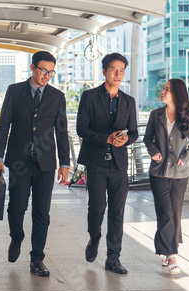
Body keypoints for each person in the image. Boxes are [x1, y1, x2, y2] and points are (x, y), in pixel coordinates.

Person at [0, 51, 70, 276]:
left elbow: (62, 132)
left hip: (45, 164)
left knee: (42, 212)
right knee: (16, 207)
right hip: (19, 161)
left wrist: (64, 163)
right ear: (32, 68)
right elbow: (3, 125)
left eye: (51, 72)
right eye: (43, 70)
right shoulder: (15, 91)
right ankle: (16, 237)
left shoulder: (57, 96)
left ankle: (37, 258)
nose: (47, 76)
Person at [76, 53, 138, 275]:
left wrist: (125, 139)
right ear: (104, 71)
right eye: (114, 69)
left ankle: (113, 257)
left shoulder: (129, 101)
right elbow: (81, 129)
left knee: (117, 212)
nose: (118, 74)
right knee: (97, 208)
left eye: (122, 70)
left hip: (119, 165)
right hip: (96, 163)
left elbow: (134, 133)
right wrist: (107, 138)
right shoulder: (89, 97)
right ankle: (94, 237)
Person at [143, 78, 189, 275]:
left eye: (167, 89)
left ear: (176, 94)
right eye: (163, 88)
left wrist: (185, 157)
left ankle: (165, 248)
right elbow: (147, 138)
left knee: (173, 214)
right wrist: (153, 151)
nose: (162, 91)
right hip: (158, 172)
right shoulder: (155, 115)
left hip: (179, 174)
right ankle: (172, 256)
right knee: (165, 212)